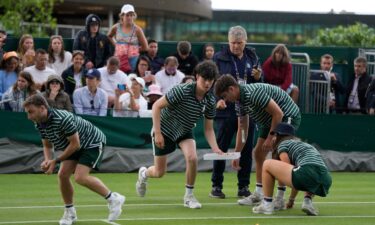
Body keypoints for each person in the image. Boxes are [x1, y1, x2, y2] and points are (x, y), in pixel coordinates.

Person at [23, 94, 125, 225]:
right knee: (63, 175)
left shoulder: (62, 119)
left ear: (42, 108)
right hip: (72, 145)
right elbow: (47, 145)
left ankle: (113, 198)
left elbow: (75, 144)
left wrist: (56, 160)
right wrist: (48, 160)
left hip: (92, 142)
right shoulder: (39, 123)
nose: (29, 116)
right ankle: (70, 213)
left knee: (80, 177)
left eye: (31, 112)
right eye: (27, 113)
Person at [135, 61, 223, 209]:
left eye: (210, 80)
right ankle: (144, 174)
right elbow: (156, 106)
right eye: (204, 79)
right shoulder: (182, 91)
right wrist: (157, 133)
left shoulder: (210, 100)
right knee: (159, 172)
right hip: (164, 129)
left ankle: (189, 196)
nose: (207, 83)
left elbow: (209, 129)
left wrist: (216, 148)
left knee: (192, 157)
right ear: (196, 77)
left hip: (184, 130)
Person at [214, 74, 301, 208]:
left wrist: (271, 136)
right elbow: (243, 129)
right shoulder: (239, 103)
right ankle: (259, 193)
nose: (226, 100)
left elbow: (278, 114)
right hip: (268, 120)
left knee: (277, 155)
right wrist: (237, 153)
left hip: (287, 116)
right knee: (258, 154)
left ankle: (280, 198)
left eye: (225, 96)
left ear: (232, 89)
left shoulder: (253, 93)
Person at [211, 25, 261, 199]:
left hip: (248, 109)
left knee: (246, 148)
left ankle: (243, 186)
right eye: (232, 43)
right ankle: (216, 185)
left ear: (245, 42)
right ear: (228, 42)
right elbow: (212, 83)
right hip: (226, 110)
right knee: (221, 147)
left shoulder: (253, 57)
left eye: (239, 43)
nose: (235, 46)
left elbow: (259, 82)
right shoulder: (219, 58)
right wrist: (218, 99)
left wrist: (258, 77)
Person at [252, 122, 332, 216]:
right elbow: (296, 171)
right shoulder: (305, 145)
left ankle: (267, 204)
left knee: (266, 164)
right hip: (325, 178)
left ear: (278, 135)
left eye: (273, 135)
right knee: (307, 172)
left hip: (306, 172)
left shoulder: (283, 144)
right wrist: (291, 200)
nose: (272, 138)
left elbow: (286, 168)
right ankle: (307, 202)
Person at [107, 4, 148, 73]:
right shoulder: (116, 27)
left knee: (130, 78)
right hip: (118, 60)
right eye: (127, 15)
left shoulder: (138, 29)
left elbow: (145, 47)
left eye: (131, 15)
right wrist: (116, 45)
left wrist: (134, 49)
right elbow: (109, 36)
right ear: (122, 16)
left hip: (132, 61)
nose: (129, 17)